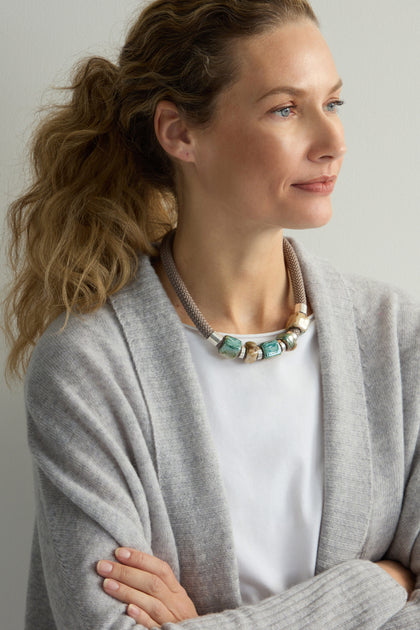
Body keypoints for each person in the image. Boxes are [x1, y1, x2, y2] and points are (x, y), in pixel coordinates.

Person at [3, 0, 419, 628]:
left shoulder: (394, 336)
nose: (332, 141)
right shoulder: (89, 369)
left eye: (333, 103)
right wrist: (374, 587)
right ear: (179, 133)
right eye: (285, 109)